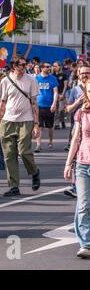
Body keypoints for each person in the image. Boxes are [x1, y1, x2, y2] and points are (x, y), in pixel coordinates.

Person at [0, 57, 41, 197]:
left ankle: (34, 172)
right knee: (9, 155)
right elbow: (2, 104)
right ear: (14, 66)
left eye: (25, 64)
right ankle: (14, 186)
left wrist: (36, 124)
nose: (24, 67)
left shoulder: (31, 79)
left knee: (24, 151)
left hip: (25, 120)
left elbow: (34, 103)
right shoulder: (5, 81)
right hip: (7, 121)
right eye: (21, 65)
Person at [64, 77, 90, 259]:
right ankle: (86, 244)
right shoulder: (81, 113)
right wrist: (68, 163)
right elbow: (76, 139)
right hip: (82, 163)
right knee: (83, 204)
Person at [34, 62, 58, 152]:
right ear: (42, 68)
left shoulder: (52, 78)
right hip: (38, 106)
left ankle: (50, 142)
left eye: (50, 66)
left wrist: (54, 103)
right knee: (39, 126)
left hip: (49, 106)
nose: (49, 68)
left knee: (50, 126)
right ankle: (38, 145)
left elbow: (55, 92)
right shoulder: (36, 78)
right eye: (47, 66)